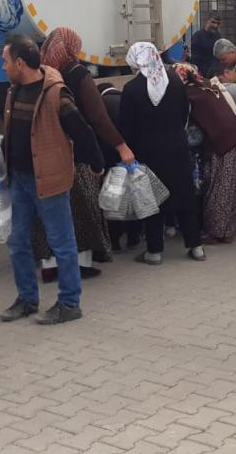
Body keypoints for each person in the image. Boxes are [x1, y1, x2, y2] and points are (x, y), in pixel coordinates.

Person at [0, 35, 104, 326]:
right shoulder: (14, 92)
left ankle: (70, 303)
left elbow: (81, 131)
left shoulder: (57, 93)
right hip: (19, 180)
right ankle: (27, 299)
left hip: (49, 179)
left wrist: (96, 163)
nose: (3, 66)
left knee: (62, 243)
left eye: (6, 61)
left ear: (20, 62)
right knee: (18, 241)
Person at [36, 27, 137, 280]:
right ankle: (80, 264)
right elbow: (98, 117)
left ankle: (49, 265)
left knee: (51, 211)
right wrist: (120, 146)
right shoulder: (77, 74)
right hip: (76, 151)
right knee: (82, 209)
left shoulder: (43, 73)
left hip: (47, 151)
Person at [120, 42, 206, 264]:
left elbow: (126, 126)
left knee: (153, 199)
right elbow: (182, 113)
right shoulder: (175, 82)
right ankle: (196, 246)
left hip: (148, 151)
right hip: (177, 146)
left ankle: (155, 251)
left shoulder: (131, 89)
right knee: (185, 196)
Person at [174, 63, 236, 244]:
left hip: (223, 142)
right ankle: (228, 228)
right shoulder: (206, 85)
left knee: (220, 187)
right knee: (232, 186)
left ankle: (216, 232)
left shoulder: (189, 95)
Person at [97, 82, 142, 252]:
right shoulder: (125, 98)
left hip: (111, 157)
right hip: (133, 157)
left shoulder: (102, 104)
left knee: (113, 200)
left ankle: (114, 239)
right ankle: (134, 236)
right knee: (133, 196)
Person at [190, 12, 224, 77]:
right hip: (201, 74)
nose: (215, 25)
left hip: (215, 74)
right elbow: (195, 60)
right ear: (207, 21)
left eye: (218, 23)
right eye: (213, 22)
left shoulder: (218, 36)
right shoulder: (198, 36)